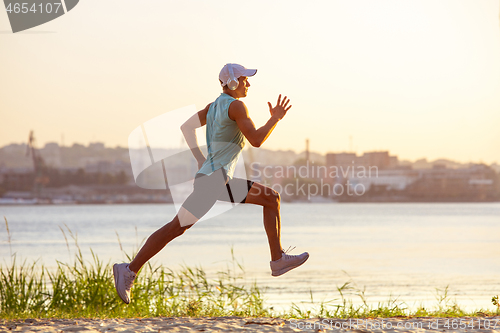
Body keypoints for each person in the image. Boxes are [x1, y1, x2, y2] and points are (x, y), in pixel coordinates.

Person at [113, 63, 309, 304]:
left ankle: (277, 259)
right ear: (233, 82)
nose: (249, 83)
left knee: (270, 198)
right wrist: (275, 119)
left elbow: (186, 127)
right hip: (215, 180)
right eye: (244, 79)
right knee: (176, 227)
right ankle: (129, 270)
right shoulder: (237, 106)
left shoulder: (214, 106)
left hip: (213, 179)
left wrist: (200, 160)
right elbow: (256, 139)